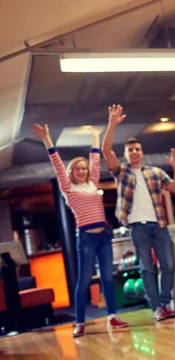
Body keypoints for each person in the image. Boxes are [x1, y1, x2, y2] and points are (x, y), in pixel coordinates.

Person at [32, 122, 128, 337]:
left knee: (107, 278)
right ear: (72, 172)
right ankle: (80, 322)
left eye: (84, 168)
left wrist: (95, 137)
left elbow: (95, 158)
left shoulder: (93, 183)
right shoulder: (68, 188)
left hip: (103, 235)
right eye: (78, 169)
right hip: (85, 237)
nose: (83, 171)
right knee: (83, 281)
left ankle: (112, 316)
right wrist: (46, 138)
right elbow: (56, 163)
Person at [102, 104, 175, 321]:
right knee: (147, 268)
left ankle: (165, 304)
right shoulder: (121, 173)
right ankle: (156, 308)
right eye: (130, 150)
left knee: (168, 265)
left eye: (137, 149)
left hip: (159, 225)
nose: (134, 152)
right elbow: (106, 151)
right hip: (138, 227)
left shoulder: (155, 173)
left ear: (142, 153)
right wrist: (111, 125)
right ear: (126, 155)